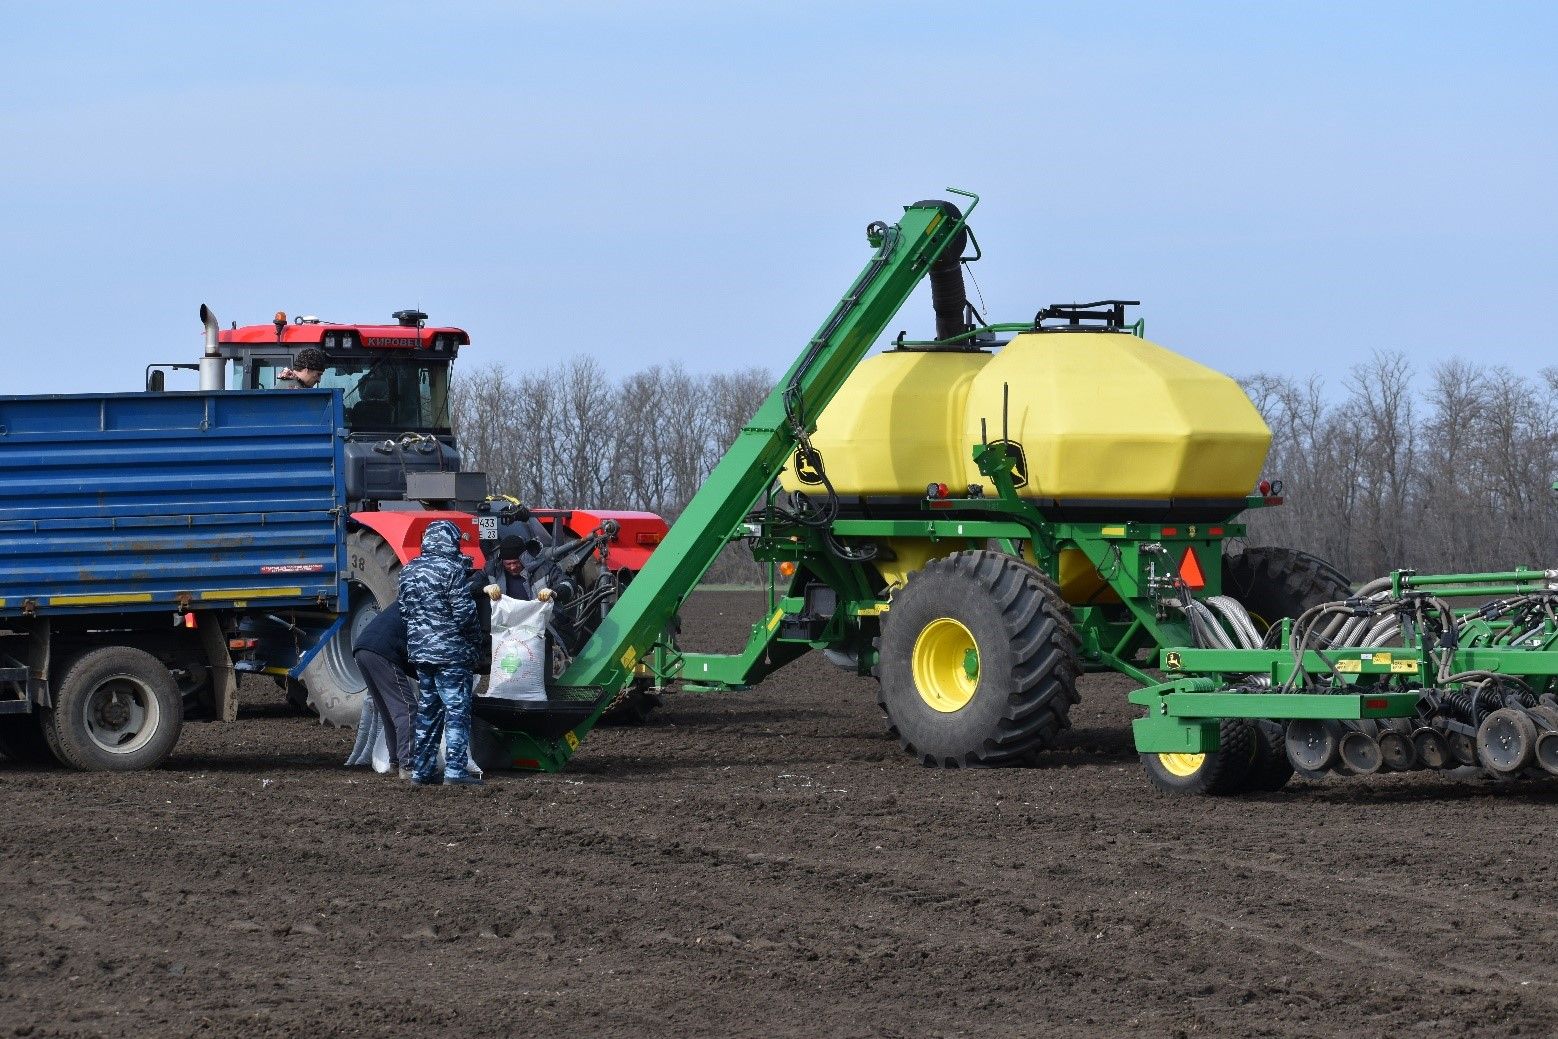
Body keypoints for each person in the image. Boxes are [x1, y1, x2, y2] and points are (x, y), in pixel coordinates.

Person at [399, 520, 484, 786]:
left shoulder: (408, 570)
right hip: (451, 655)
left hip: (421, 654)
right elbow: (465, 613)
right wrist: (475, 641)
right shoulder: (451, 570)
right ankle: (455, 772)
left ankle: (421, 772)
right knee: (456, 712)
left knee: (428, 713)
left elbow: (404, 611)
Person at [352, 602, 418, 779]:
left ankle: (395, 762)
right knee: (407, 709)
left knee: (389, 711)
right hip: (382, 652)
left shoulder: (404, 601)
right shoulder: (424, 606)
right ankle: (408, 765)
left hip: (362, 649)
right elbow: (415, 650)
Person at [484, 534, 539, 600]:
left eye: (516, 562)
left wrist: (551, 593)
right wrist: (486, 588)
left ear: (524, 559)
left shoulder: (540, 569)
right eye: (508, 564)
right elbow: (471, 584)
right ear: (502, 561)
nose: (513, 567)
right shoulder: (492, 570)